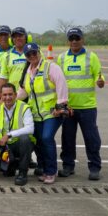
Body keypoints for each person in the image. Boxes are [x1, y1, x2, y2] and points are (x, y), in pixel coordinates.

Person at [57, 28, 105, 181]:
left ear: (82, 39)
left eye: (77, 38)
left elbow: (99, 75)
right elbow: (58, 80)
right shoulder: (62, 58)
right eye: (71, 38)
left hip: (87, 107)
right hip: (68, 107)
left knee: (91, 138)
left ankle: (94, 167)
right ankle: (68, 166)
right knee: (67, 138)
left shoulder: (92, 57)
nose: (74, 41)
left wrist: (100, 81)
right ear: (68, 41)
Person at [17, 43, 68, 184]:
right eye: (28, 54)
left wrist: (61, 106)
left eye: (34, 53)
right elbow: (23, 91)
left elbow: (61, 86)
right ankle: (44, 168)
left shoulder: (51, 67)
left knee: (46, 138)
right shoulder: (28, 71)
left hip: (52, 112)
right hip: (36, 114)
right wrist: (9, 100)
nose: (32, 56)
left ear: (39, 52)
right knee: (38, 141)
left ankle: (51, 171)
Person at [0, 83, 35, 186]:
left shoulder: (24, 107)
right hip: (4, 145)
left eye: (10, 94)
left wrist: (9, 135)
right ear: (1, 96)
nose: (7, 98)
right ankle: (11, 166)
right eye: (5, 95)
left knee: (25, 139)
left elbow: (30, 128)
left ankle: (22, 173)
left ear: (15, 95)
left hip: (18, 144)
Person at [0, 27, 30, 96]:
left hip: (32, 94)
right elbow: (3, 78)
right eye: (15, 37)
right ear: (11, 40)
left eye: (20, 36)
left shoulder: (34, 52)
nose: (18, 38)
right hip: (14, 95)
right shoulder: (7, 55)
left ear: (26, 38)